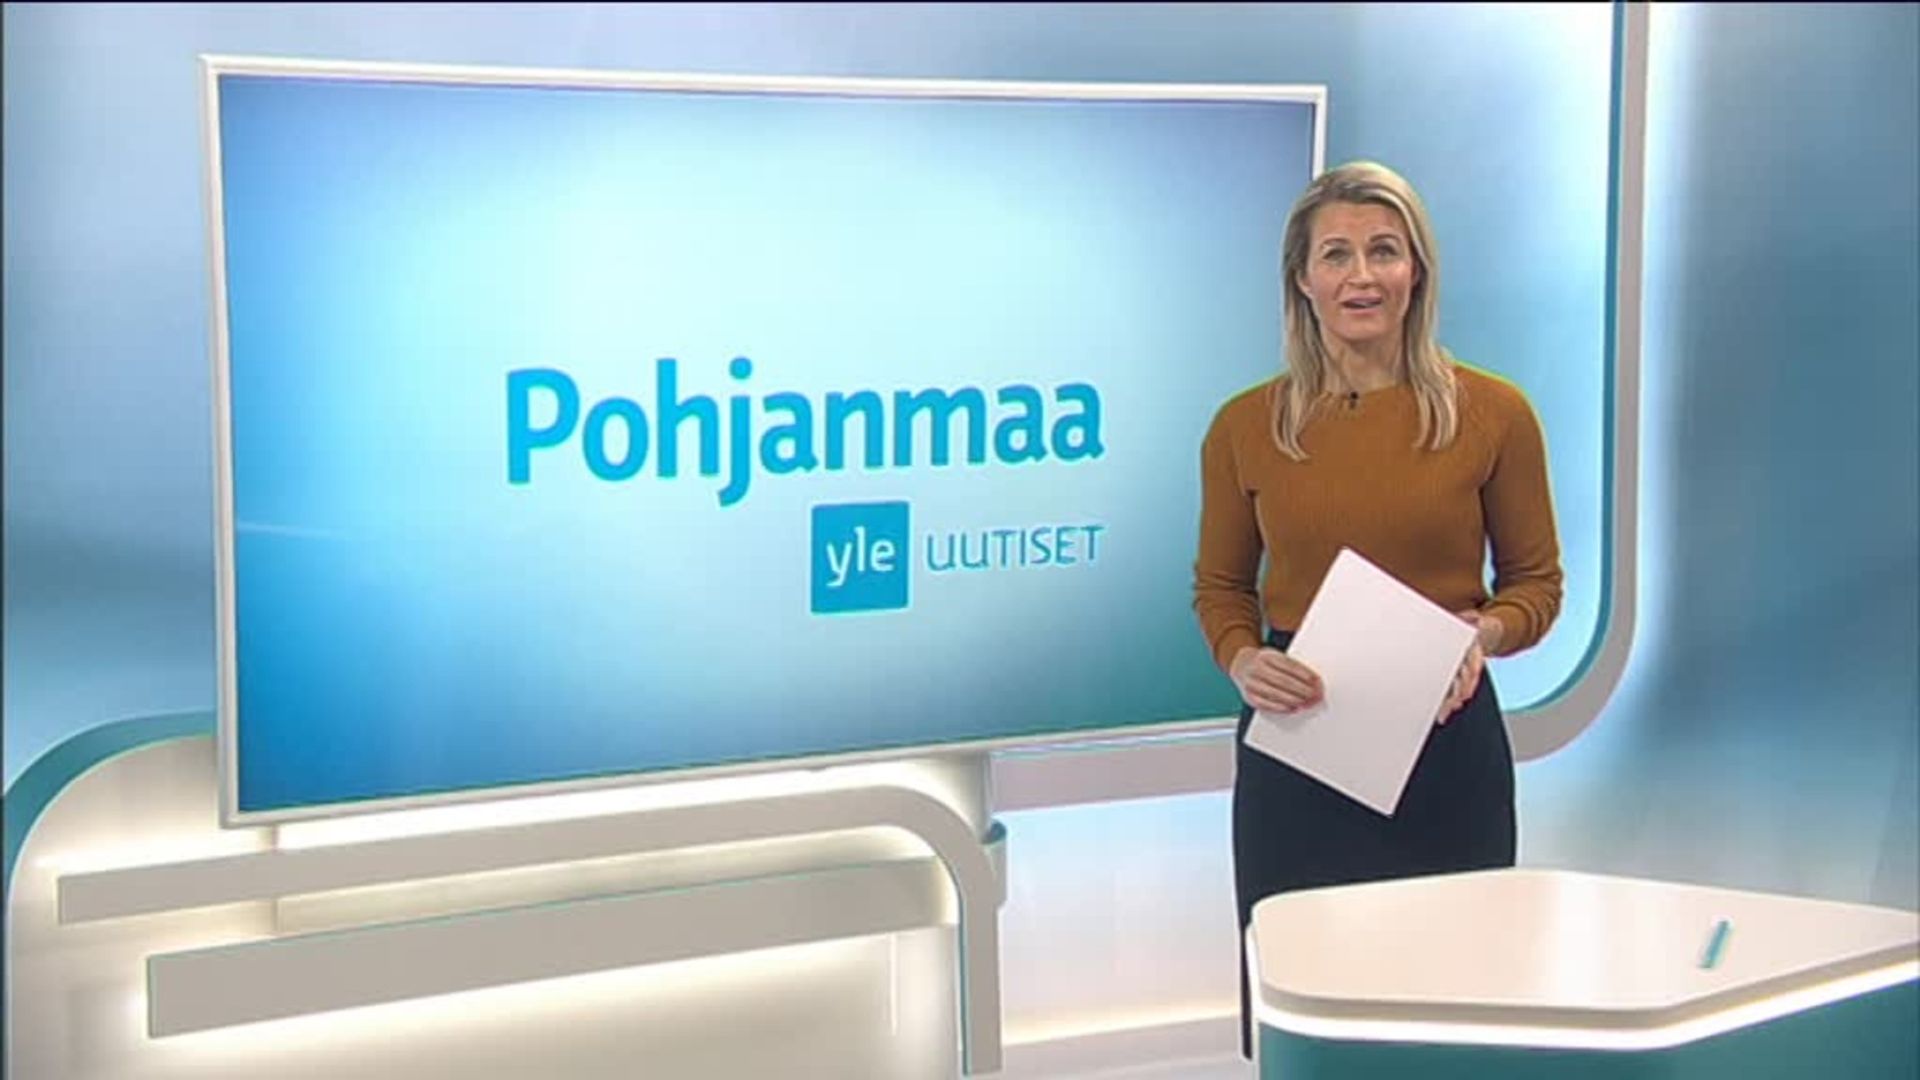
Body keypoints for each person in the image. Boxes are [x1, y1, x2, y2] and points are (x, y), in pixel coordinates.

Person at [1190, 160, 1564, 1057]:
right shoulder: (1245, 427)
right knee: (1311, 1008)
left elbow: (1537, 586)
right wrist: (1243, 658)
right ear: (1302, 280)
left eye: (1384, 252)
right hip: (1300, 741)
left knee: (1454, 1000)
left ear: (1417, 272)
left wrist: (1480, 633)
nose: (1362, 276)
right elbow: (1220, 589)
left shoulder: (1494, 414)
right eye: (1337, 255)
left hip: (1446, 732)